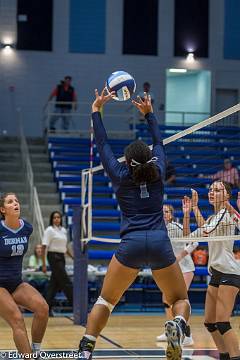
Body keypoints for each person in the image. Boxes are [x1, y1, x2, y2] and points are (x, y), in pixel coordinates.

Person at [78, 90, 190, 360]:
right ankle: (179, 324)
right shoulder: (160, 172)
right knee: (179, 300)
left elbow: (102, 143)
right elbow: (159, 142)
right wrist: (149, 113)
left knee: (107, 300)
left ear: (127, 162)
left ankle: (86, 348)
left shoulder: (119, 176)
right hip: (160, 243)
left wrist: (97, 109)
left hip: (131, 245)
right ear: (150, 158)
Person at [183, 182, 240, 360]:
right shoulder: (215, 217)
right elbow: (189, 236)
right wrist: (190, 211)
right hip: (216, 273)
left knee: (222, 322)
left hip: (229, 273)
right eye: (210, 190)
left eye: (217, 190)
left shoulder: (226, 215)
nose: (211, 193)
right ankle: (224, 356)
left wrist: (195, 208)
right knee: (210, 323)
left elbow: (205, 231)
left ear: (227, 196)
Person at [0, 193, 49, 354]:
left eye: (16, 201)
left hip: (16, 283)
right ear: (2, 209)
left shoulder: (27, 228)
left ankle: (36, 351)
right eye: (10, 202)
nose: (15, 203)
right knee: (17, 320)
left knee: (43, 309)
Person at [156, 204, 198, 346]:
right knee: (166, 300)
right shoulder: (158, 229)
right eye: (161, 212)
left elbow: (194, 242)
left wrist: (180, 255)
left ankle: (187, 335)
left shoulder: (177, 227)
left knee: (180, 300)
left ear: (171, 214)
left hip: (185, 268)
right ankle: (170, 331)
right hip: (169, 269)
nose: (164, 214)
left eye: (166, 212)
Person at [42, 211, 73, 313]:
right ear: (52, 219)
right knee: (66, 282)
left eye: (58, 217)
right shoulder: (49, 230)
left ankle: (46, 309)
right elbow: (44, 247)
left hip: (61, 257)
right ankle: (77, 306)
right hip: (53, 257)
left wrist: (73, 258)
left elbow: (65, 247)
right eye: (54, 217)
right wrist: (43, 264)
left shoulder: (64, 230)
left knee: (53, 285)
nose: (56, 219)